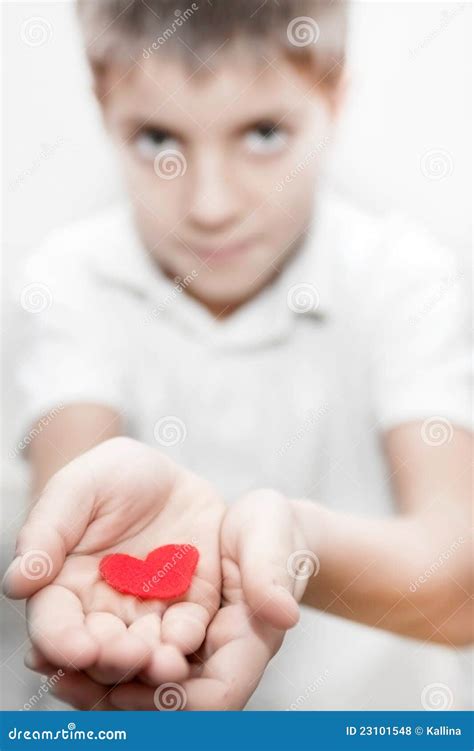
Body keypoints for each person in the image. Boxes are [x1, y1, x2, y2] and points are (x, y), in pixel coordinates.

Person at [3, 0, 472, 711]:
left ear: (335, 92)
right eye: (158, 137)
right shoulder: (70, 280)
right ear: (102, 104)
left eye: (262, 133)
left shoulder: (404, 278)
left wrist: (296, 540)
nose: (210, 204)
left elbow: (457, 585)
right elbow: (70, 497)